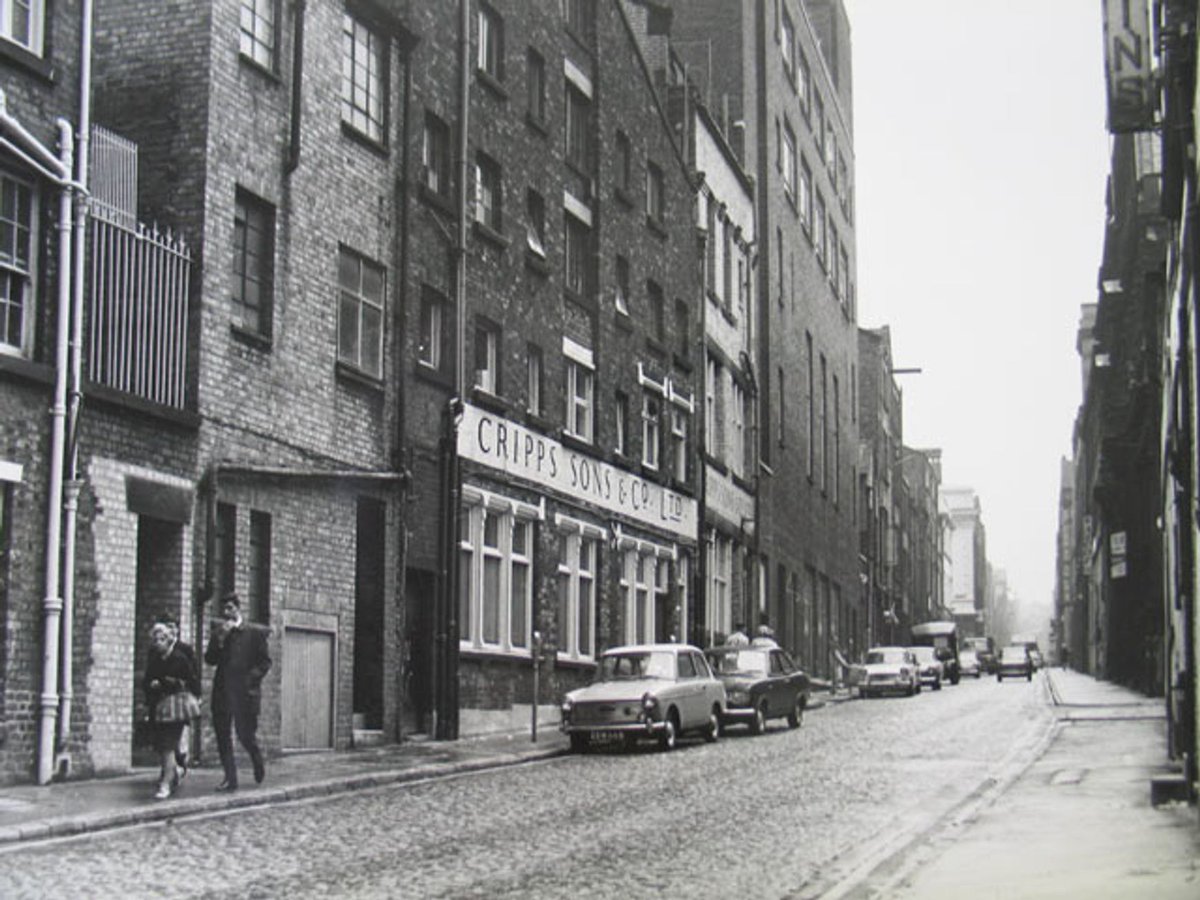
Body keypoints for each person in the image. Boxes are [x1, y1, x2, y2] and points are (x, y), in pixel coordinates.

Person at [205, 592, 271, 791]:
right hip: (223, 691)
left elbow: (265, 662)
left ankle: (256, 758)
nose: (227, 613)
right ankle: (230, 778)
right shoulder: (219, 632)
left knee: (245, 734)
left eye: (230, 608)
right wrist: (220, 640)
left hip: (244, 693)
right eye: (224, 610)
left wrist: (251, 678)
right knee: (223, 735)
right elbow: (210, 659)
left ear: (238, 608)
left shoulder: (253, 633)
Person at [143, 620, 201, 800]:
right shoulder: (154, 659)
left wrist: (170, 682)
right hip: (159, 708)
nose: (157, 643)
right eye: (155, 640)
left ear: (168, 640)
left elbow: (193, 682)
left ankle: (165, 784)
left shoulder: (179, 659)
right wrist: (151, 685)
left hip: (176, 708)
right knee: (163, 746)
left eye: (161, 639)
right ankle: (174, 772)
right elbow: (146, 680)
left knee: (167, 745)